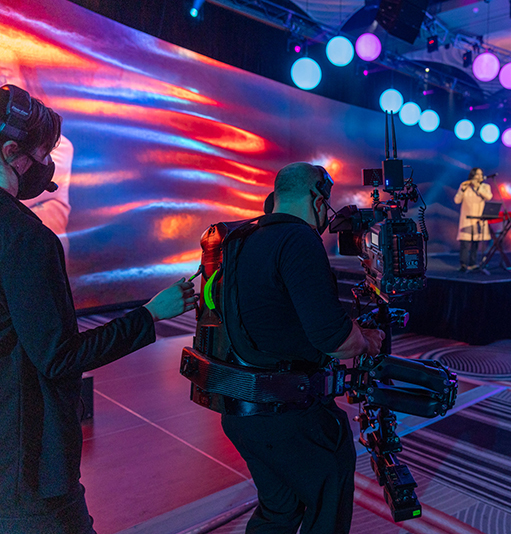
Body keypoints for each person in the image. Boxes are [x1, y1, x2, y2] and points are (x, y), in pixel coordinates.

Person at [0, 84, 199, 533]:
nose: (48, 168)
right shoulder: (27, 238)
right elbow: (60, 356)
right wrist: (149, 315)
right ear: (11, 151)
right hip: (28, 472)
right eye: (42, 153)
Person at [221, 162, 385, 533]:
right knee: (325, 506)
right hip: (291, 415)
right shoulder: (298, 239)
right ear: (316, 196)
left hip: (243, 411)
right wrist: (367, 340)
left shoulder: (243, 237)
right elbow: (334, 338)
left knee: (279, 510)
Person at [454, 167, 493, 271]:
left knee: (476, 243)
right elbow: (457, 200)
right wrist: (462, 190)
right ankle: (463, 265)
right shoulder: (465, 185)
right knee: (465, 243)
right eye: (477, 174)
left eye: (481, 174)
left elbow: (488, 197)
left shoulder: (485, 186)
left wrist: (478, 188)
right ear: (472, 176)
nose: (479, 176)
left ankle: (472, 264)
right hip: (466, 218)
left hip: (478, 219)